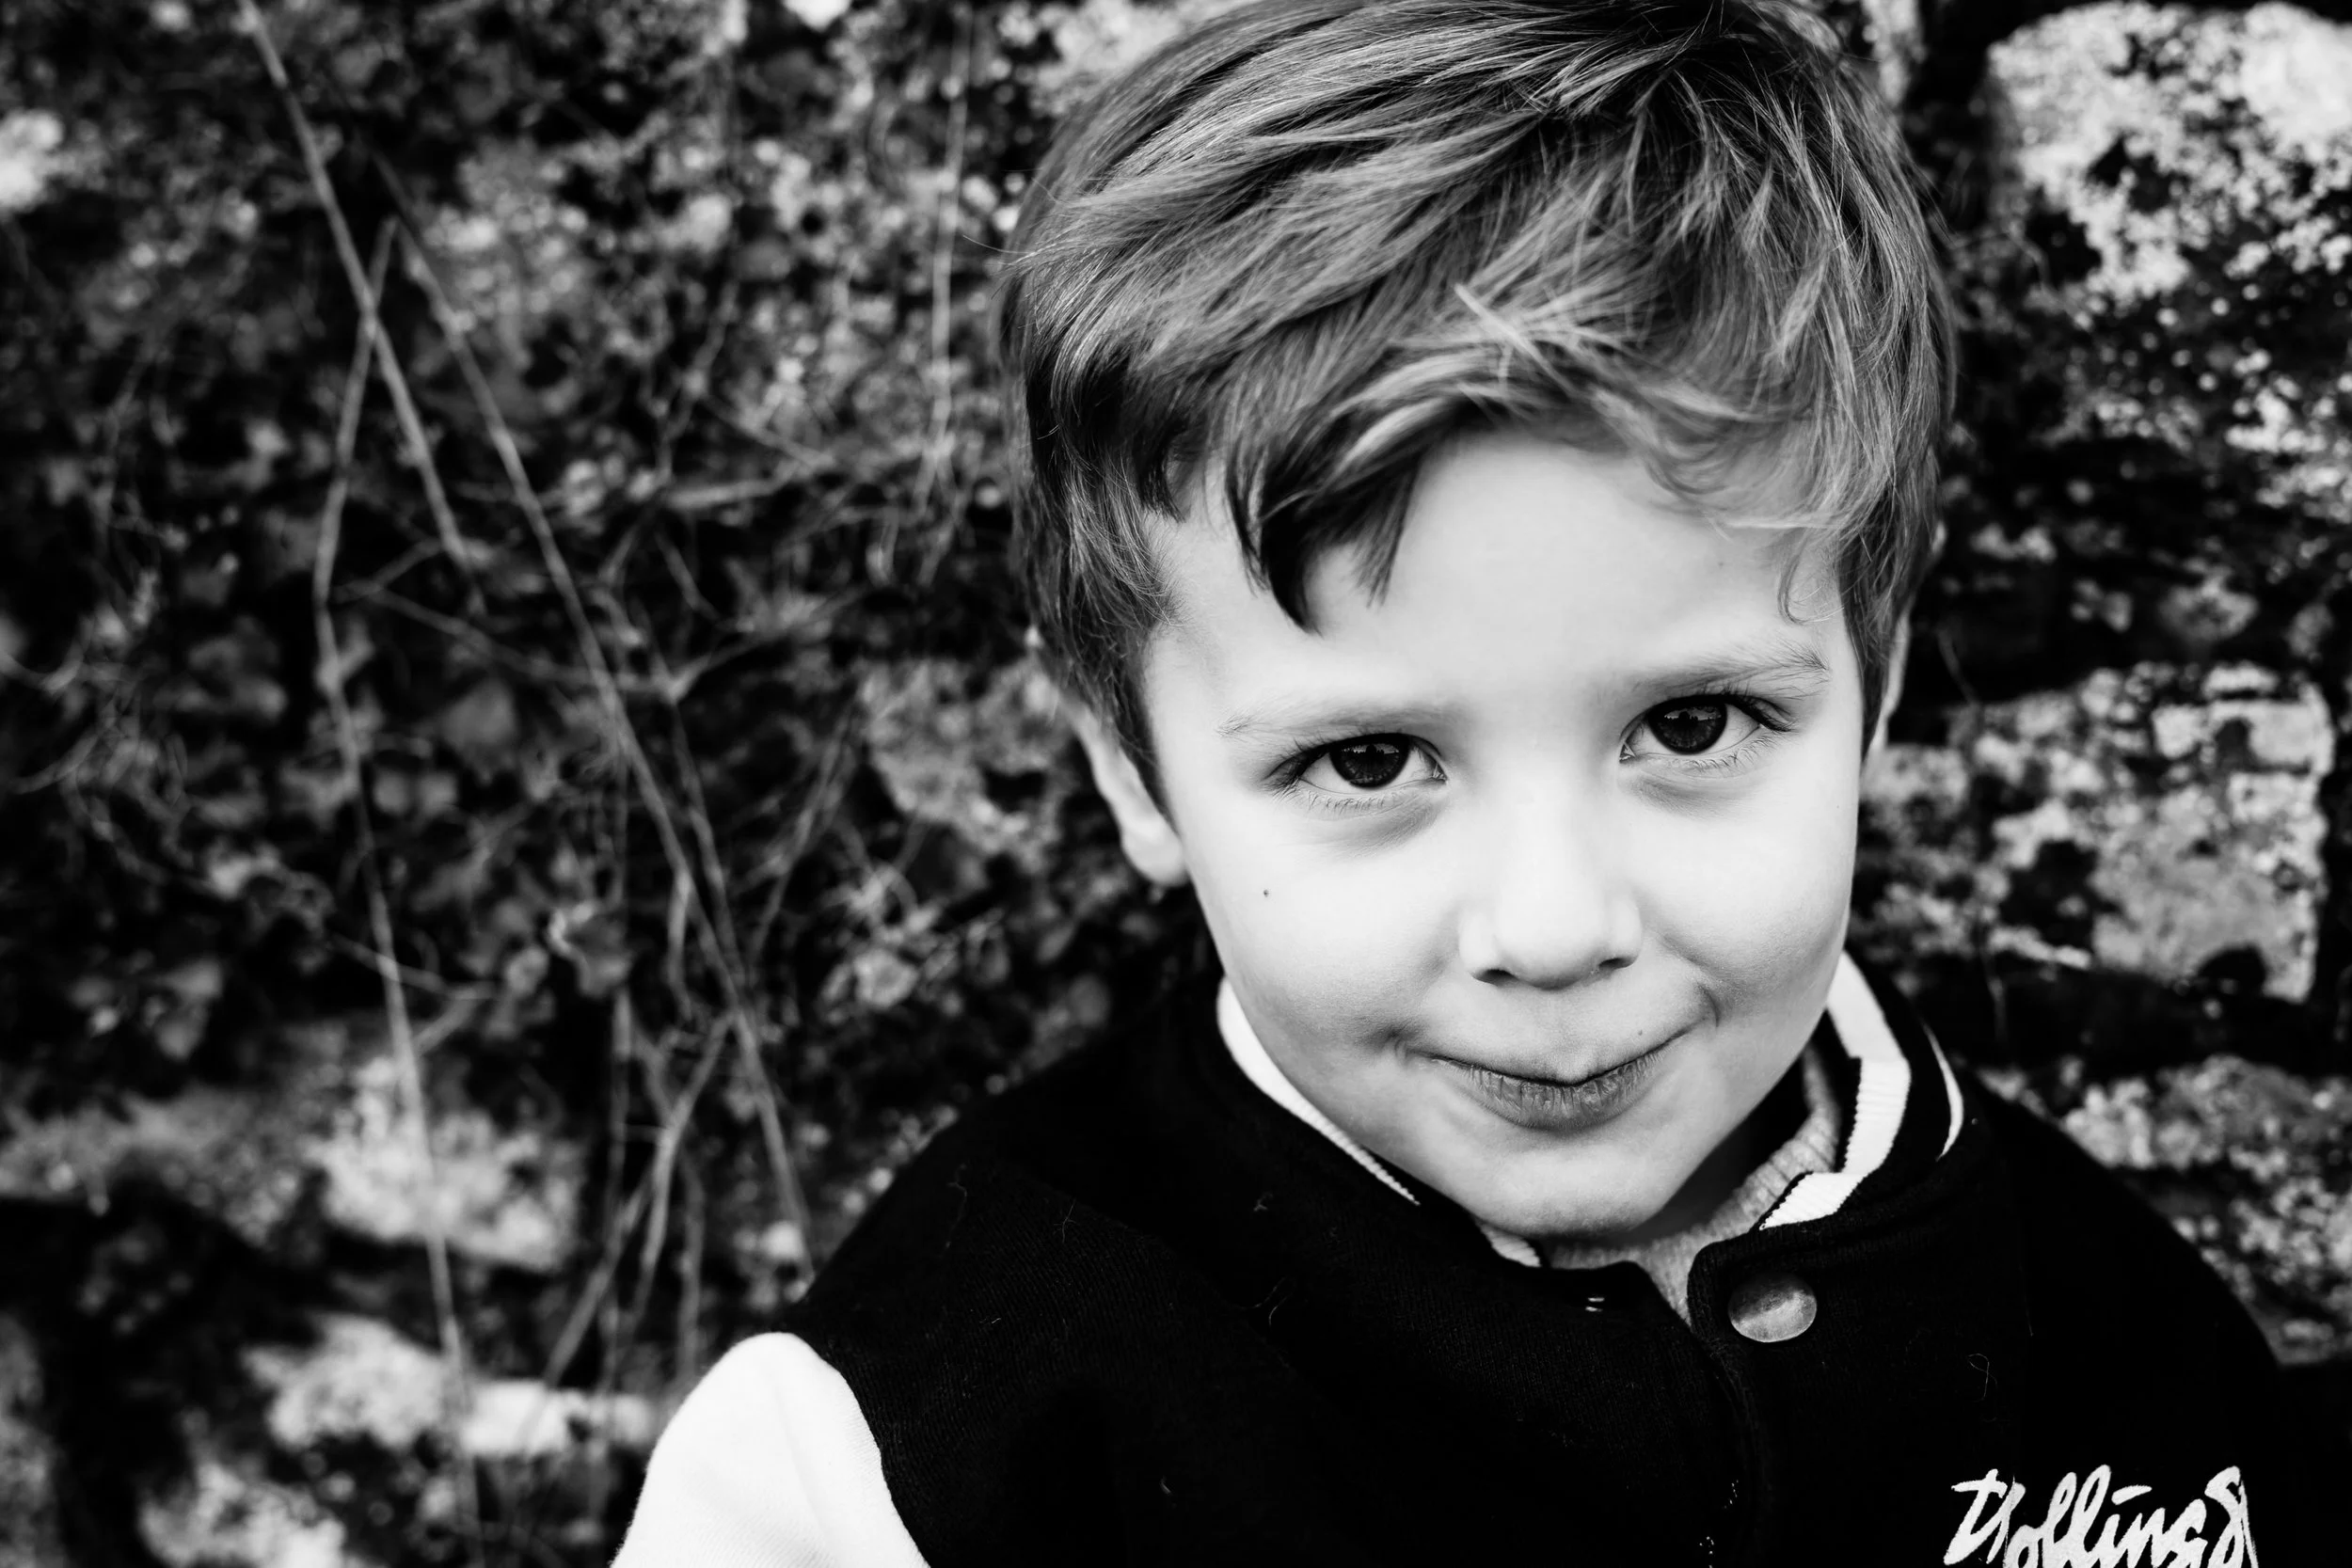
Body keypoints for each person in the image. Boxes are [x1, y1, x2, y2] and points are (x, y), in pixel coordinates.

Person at [613, 1, 2342, 1561]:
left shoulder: (2124, 1353)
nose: (1553, 927)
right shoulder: (917, 1435)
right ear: (1132, 770)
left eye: (1691, 726)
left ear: (1875, 681)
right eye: (1371, 757)